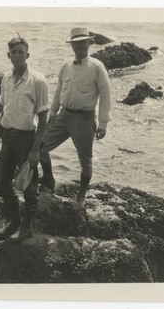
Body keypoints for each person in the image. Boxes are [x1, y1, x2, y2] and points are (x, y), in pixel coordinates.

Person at [39, 27, 111, 210]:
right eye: (75, 43)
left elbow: (105, 95)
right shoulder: (66, 65)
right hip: (63, 116)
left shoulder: (97, 67)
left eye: (82, 42)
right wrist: (52, 113)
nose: (79, 46)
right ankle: (48, 179)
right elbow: (58, 91)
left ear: (89, 43)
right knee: (39, 146)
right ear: (72, 45)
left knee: (85, 160)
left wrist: (103, 124)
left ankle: (82, 194)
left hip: (84, 119)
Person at [0, 34, 49, 241]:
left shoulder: (38, 80)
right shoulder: (6, 79)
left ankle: (27, 227)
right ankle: (13, 222)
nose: (17, 56)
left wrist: (35, 149)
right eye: (13, 52)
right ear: (8, 55)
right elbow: (4, 112)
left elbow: (43, 118)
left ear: (28, 54)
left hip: (26, 138)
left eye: (20, 52)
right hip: (7, 136)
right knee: (2, 184)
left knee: (29, 187)